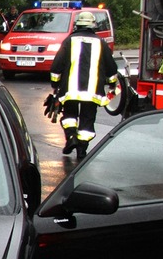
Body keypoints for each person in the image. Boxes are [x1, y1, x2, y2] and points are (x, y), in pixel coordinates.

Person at [50, 10, 119, 160]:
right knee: (87, 119)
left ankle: (71, 138)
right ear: (93, 25)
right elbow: (111, 67)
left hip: (70, 90)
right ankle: (82, 150)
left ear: (77, 25)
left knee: (69, 116)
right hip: (92, 91)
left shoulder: (69, 41)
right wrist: (112, 84)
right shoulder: (101, 43)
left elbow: (57, 64)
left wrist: (55, 83)